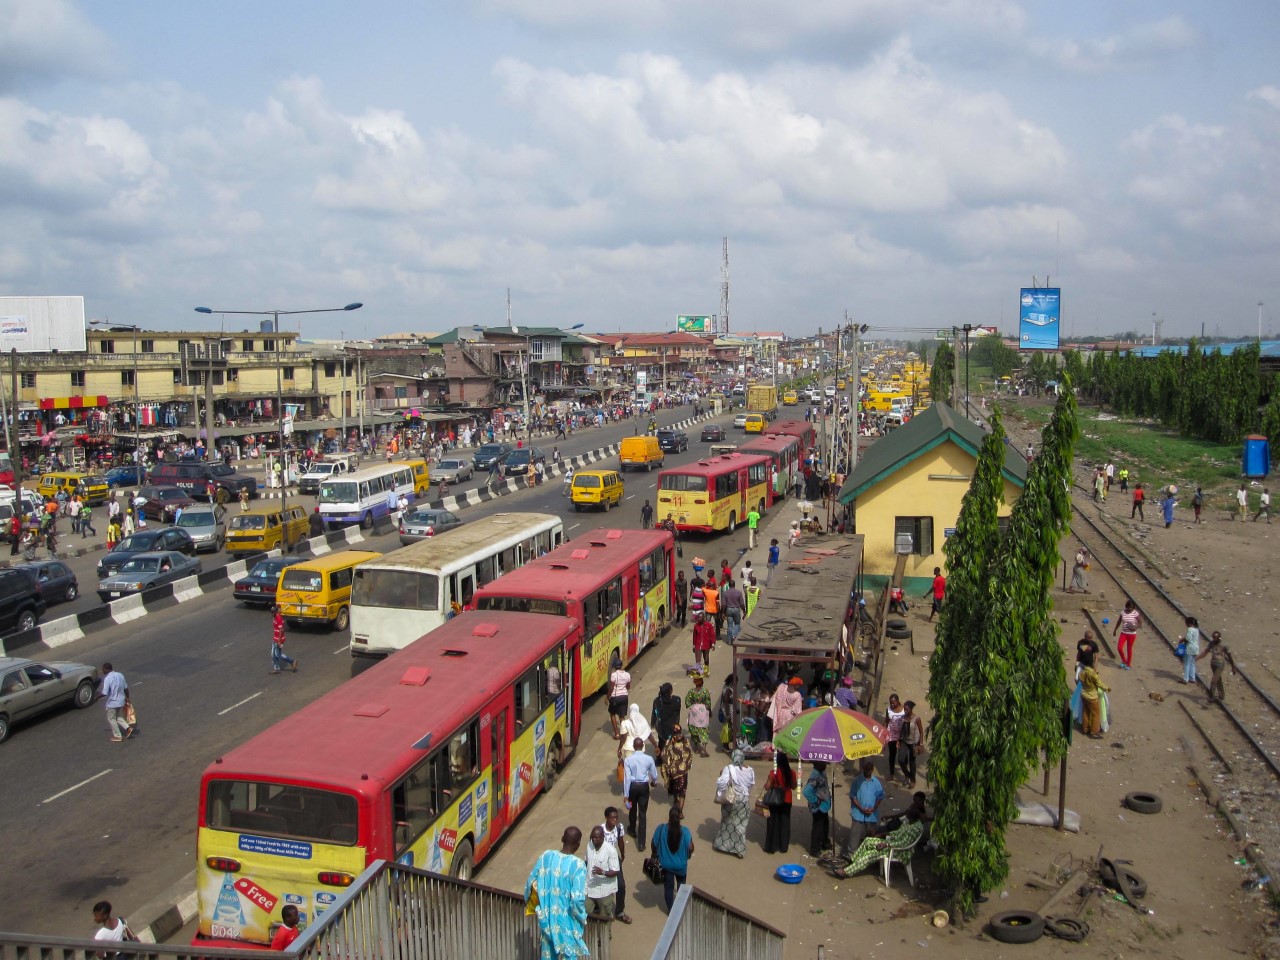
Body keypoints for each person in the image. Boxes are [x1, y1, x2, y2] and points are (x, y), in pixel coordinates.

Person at [525, 827, 589, 960]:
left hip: (547, 921)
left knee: (548, 956)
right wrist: (582, 917)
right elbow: (577, 900)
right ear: (578, 844)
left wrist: (532, 903)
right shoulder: (578, 866)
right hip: (567, 925)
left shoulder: (546, 857)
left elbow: (531, 882)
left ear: (562, 839)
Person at [831, 808, 924, 878]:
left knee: (869, 854)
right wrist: (883, 834)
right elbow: (898, 833)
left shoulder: (916, 828)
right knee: (867, 841)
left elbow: (904, 843)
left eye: (908, 816)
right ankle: (853, 863)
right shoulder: (908, 822)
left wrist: (886, 844)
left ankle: (845, 872)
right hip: (891, 843)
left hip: (899, 850)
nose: (906, 818)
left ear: (913, 818)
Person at [713, 749, 756, 859]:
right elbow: (751, 785)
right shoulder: (750, 770)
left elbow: (722, 784)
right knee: (741, 825)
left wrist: (721, 775)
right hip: (744, 800)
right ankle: (740, 850)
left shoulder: (729, 768)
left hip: (731, 799)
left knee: (727, 821)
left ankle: (722, 844)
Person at [653, 808, 694, 912]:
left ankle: (670, 910)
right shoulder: (685, 831)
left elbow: (653, 843)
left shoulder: (661, 829)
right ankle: (680, 908)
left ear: (669, 816)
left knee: (668, 887)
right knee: (681, 886)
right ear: (680, 816)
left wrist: (654, 854)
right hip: (681, 866)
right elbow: (691, 847)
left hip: (666, 865)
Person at [622, 738, 658, 851]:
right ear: (642, 746)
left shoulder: (628, 760)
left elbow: (627, 779)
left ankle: (632, 829)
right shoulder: (649, 759)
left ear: (633, 746)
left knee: (632, 809)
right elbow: (654, 774)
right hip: (643, 787)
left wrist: (626, 795)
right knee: (642, 814)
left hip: (633, 787)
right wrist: (654, 782)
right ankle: (641, 843)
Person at [598, 807, 632, 924]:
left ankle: (620, 912)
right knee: (603, 887)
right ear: (606, 818)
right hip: (602, 861)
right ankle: (602, 911)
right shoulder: (600, 830)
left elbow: (621, 842)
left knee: (621, 886)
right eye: (612, 817)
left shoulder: (619, 827)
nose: (615, 820)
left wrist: (622, 854)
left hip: (614, 860)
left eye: (616, 817)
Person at [762, 753, 798, 855]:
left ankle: (771, 846)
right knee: (785, 823)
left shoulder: (773, 773)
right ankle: (783, 847)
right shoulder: (792, 773)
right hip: (787, 799)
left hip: (775, 800)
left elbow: (767, 787)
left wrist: (768, 783)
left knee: (773, 822)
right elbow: (794, 787)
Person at [584, 825, 620, 921]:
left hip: (604, 891)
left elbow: (616, 871)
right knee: (586, 914)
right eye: (592, 837)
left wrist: (602, 872)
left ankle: (606, 935)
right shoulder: (589, 845)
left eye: (597, 837)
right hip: (590, 888)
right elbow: (587, 862)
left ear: (603, 837)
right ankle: (590, 934)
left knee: (605, 917)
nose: (594, 839)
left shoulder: (611, 851)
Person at [848, 759, 884, 851]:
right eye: (866, 769)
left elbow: (880, 797)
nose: (868, 771)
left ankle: (869, 858)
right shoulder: (857, 781)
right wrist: (861, 808)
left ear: (872, 770)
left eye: (870, 769)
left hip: (871, 816)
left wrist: (874, 808)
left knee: (871, 839)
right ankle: (852, 857)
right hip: (858, 815)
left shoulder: (876, 782)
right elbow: (852, 796)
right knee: (854, 839)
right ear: (863, 768)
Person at [661, 724, 694, 813]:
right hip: (683, 772)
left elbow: (664, 755)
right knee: (682, 791)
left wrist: (667, 768)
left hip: (673, 772)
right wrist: (688, 765)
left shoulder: (669, 742)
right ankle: (680, 811)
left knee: (676, 790)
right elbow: (690, 754)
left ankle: (676, 802)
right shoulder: (686, 741)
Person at [802, 761, 832, 856]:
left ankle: (825, 843)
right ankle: (815, 849)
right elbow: (806, 791)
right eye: (823, 763)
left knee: (824, 826)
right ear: (817, 764)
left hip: (824, 806)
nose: (825, 765)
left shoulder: (821, 773)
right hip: (818, 807)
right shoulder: (815, 776)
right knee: (817, 828)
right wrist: (816, 800)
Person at [1198, 631, 1238, 703]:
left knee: (1214, 681)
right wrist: (1197, 658)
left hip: (1220, 664)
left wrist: (1233, 667)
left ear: (1219, 638)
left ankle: (1211, 697)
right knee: (1218, 679)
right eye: (1213, 638)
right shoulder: (1211, 643)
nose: (1214, 640)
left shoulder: (1224, 645)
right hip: (1213, 664)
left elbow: (1229, 656)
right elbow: (1205, 652)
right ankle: (1221, 695)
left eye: (1215, 639)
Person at [98, 662, 134, 743]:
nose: (102, 671)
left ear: (106, 669)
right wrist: (127, 698)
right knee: (116, 716)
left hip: (113, 702)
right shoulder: (120, 675)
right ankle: (128, 728)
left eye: (103, 669)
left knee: (111, 718)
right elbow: (126, 688)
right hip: (121, 700)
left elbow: (104, 693)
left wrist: (96, 698)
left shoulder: (107, 678)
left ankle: (118, 736)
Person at [1078, 652, 1109, 739]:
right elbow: (1100, 684)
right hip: (1092, 696)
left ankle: (1085, 729)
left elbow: (1078, 680)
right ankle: (1094, 732)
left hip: (1084, 694)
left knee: (1085, 712)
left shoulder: (1082, 673)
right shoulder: (1093, 674)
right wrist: (1107, 688)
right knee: (1096, 713)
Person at [684, 675, 713, 757]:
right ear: (702, 683)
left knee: (694, 729)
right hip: (703, 712)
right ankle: (704, 748)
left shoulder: (691, 692)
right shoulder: (705, 691)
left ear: (694, 683)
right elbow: (708, 702)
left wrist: (693, 705)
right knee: (704, 730)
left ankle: (696, 748)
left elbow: (687, 702)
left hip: (694, 712)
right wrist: (709, 711)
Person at [897, 700, 924, 786]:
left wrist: (921, 744)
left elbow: (921, 731)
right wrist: (898, 740)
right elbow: (901, 730)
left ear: (911, 709)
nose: (905, 711)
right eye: (904, 709)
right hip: (904, 741)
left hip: (913, 742)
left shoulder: (917, 718)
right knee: (901, 759)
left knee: (912, 762)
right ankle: (907, 775)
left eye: (907, 710)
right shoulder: (902, 718)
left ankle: (912, 780)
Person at [650, 682, 682, 755]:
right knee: (674, 743)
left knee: (661, 743)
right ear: (670, 691)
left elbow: (655, 714)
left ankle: (661, 758)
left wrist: (653, 725)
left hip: (662, 728)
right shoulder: (676, 700)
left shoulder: (657, 701)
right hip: (673, 727)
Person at [1113, 600, 1142, 670]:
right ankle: (1124, 661)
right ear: (1126, 606)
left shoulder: (1135, 613)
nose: (1129, 609)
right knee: (1119, 647)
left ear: (1133, 607)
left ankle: (1128, 664)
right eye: (1128, 607)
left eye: (1131, 607)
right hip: (1124, 633)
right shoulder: (1123, 612)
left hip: (1132, 634)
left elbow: (1140, 623)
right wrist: (1115, 630)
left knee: (1129, 649)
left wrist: (1135, 627)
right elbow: (1119, 621)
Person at [607, 655, 630, 738]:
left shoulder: (613, 675)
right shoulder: (627, 674)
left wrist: (607, 697)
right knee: (622, 716)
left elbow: (611, 688)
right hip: (624, 697)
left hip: (615, 697)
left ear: (614, 667)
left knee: (612, 714)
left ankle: (616, 733)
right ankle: (624, 733)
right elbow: (628, 686)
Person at [270, 605, 297, 674]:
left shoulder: (278, 618)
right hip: (275, 638)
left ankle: (291, 661)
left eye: (273, 612)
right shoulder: (274, 617)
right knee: (273, 654)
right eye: (271, 612)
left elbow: (281, 630)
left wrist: (279, 641)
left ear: (276, 611)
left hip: (279, 639)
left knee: (277, 654)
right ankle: (276, 668)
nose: (272, 613)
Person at [884, 694, 905, 780]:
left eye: (893, 703)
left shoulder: (904, 710)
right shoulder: (888, 710)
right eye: (890, 703)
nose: (892, 705)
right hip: (891, 735)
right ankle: (892, 773)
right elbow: (886, 721)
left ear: (898, 701)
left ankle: (906, 774)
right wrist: (884, 732)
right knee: (892, 755)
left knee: (902, 756)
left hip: (901, 736)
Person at [721, 578, 746, 645]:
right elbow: (741, 604)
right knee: (737, 624)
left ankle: (729, 641)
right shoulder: (739, 593)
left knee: (729, 626)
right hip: (736, 609)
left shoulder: (725, 593)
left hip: (728, 610)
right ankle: (734, 636)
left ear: (729, 585)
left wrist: (723, 613)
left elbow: (723, 604)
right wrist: (744, 610)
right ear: (734, 585)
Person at [1182, 616, 1204, 684]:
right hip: (1196, 648)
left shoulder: (1190, 629)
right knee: (1192, 663)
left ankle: (1185, 679)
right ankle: (1192, 678)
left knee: (1186, 664)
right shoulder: (1196, 629)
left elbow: (1188, 639)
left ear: (1189, 623)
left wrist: (1182, 640)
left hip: (1190, 648)